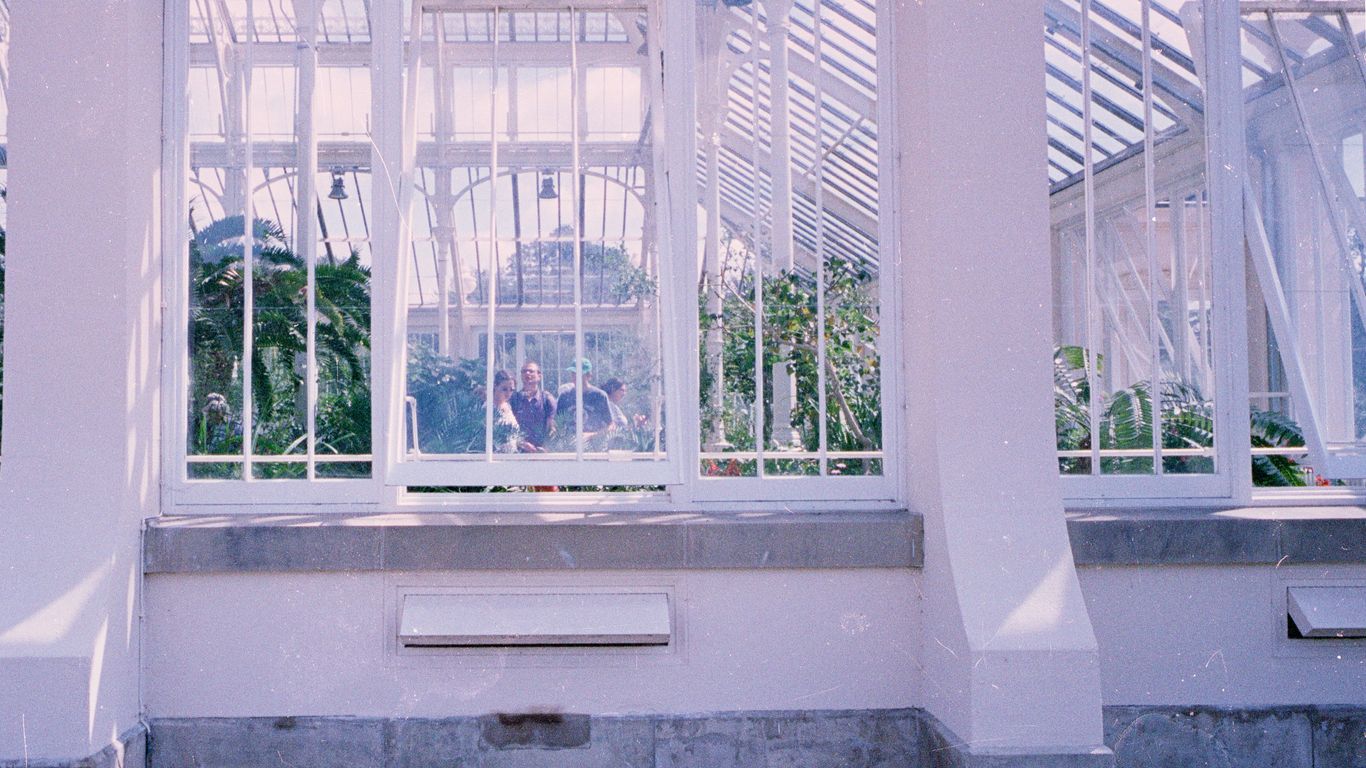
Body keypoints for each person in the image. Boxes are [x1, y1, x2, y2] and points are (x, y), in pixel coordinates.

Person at [556, 357, 613, 436]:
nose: (575, 377)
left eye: (579, 374)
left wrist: (592, 435)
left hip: (594, 446)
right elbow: (557, 424)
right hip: (569, 446)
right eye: (573, 373)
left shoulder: (599, 396)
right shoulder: (564, 396)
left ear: (589, 375)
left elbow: (611, 425)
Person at [509, 359, 556, 451]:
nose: (527, 373)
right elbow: (509, 427)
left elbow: (552, 427)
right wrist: (521, 443)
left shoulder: (547, 399)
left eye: (531, 371)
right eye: (524, 371)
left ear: (539, 376)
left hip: (541, 452)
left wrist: (546, 447)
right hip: (518, 453)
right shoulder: (514, 399)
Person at [490, 369, 521, 454]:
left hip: (511, 456)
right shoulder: (488, 408)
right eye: (504, 389)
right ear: (495, 386)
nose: (508, 393)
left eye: (511, 390)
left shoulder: (508, 407)